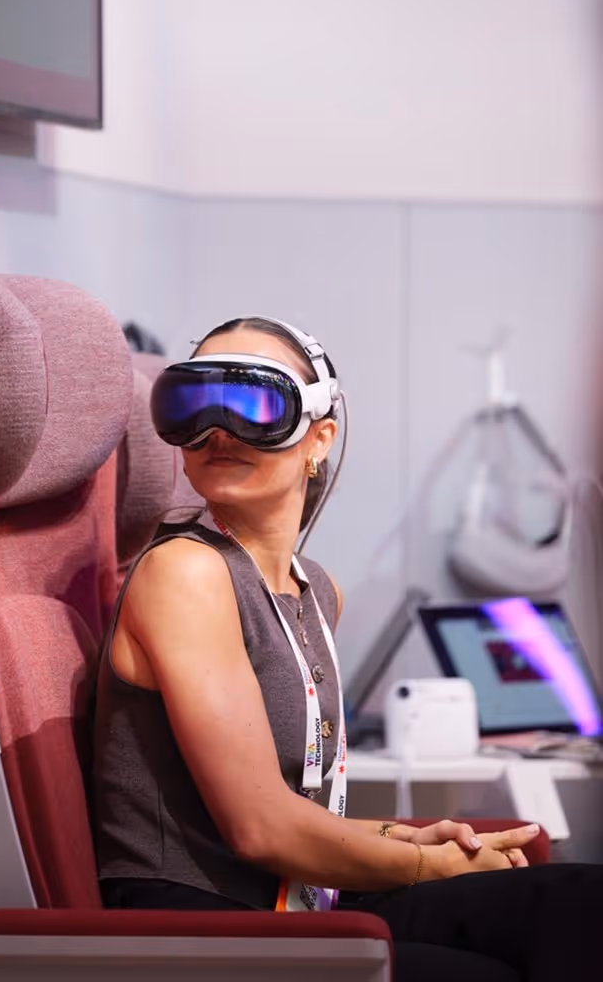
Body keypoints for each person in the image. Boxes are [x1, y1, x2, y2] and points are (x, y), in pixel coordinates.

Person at [92, 316, 602, 982]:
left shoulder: (313, 590)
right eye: (190, 402)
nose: (216, 431)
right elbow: (262, 830)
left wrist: (413, 839)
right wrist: (426, 864)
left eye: (252, 403)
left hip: (296, 900)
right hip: (210, 926)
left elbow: (296, 808)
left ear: (318, 437)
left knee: (579, 903)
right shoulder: (184, 572)